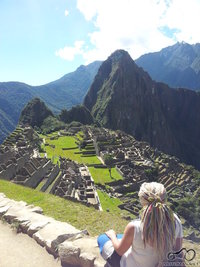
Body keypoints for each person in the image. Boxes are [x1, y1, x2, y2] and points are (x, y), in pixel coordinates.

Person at [97, 182, 184, 267]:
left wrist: (112, 236)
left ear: (142, 201)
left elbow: (120, 251)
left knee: (102, 238)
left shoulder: (135, 226)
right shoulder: (175, 221)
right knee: (122, 236)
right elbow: (177, 250)